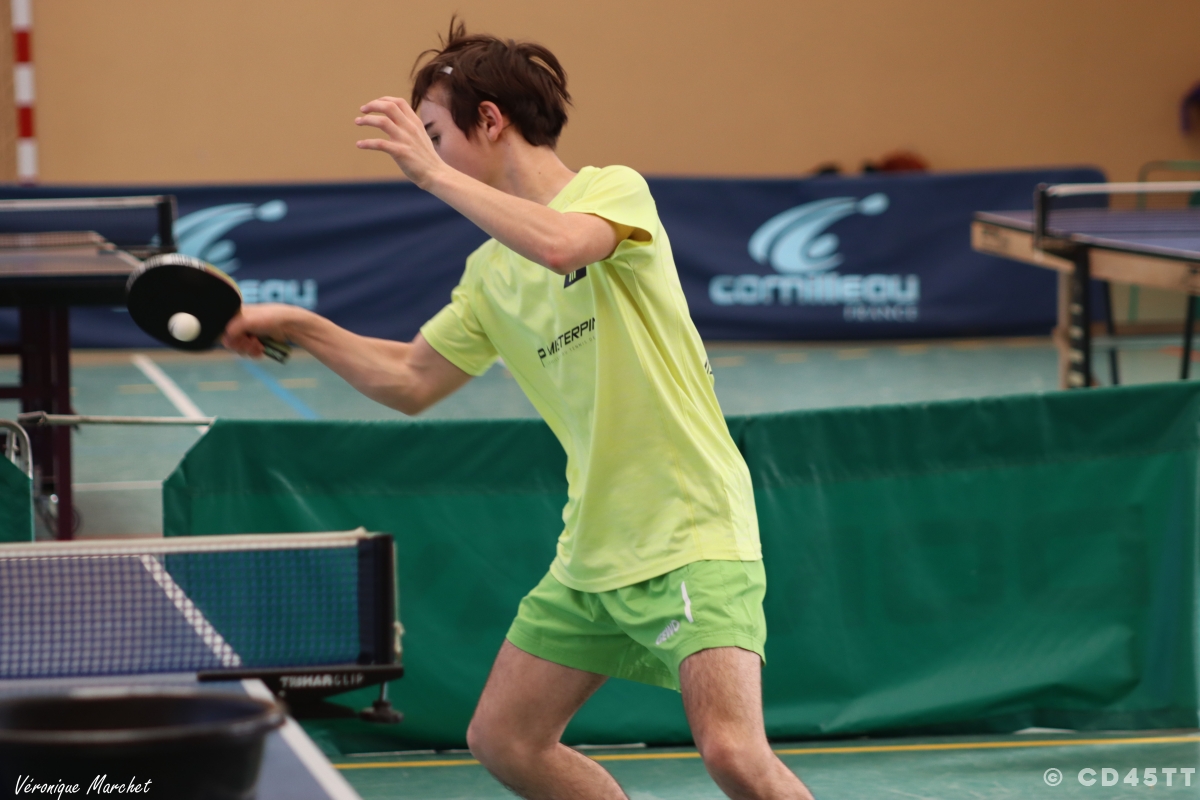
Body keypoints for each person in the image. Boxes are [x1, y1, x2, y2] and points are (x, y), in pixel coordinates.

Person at [223, 19, 815, 800]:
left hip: (690, 529)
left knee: (734, 754)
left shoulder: (612, 191)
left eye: (435, 134)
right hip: (592, 548)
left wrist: (430, 176)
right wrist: (302, 326)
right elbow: (409, 379)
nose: (427, 153)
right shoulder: (489, 275)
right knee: (505, 740)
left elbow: (562, 244)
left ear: (490, 119)